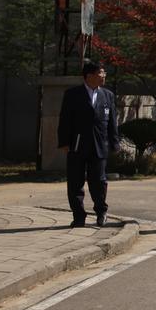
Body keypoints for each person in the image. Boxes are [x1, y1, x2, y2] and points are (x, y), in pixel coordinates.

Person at [57, 61, 119, 228]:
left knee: (99, 181)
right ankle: (79, 216)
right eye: (101, 73)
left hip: (99, 145)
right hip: (77, 145)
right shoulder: (72, 94)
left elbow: (112, 122)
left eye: (104, 73)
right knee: (75, 182)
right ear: (89, 76)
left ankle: (101, 212)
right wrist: (64, 142)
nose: (103, 76)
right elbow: (65, 120)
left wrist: (114, 142)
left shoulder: (108, 95)